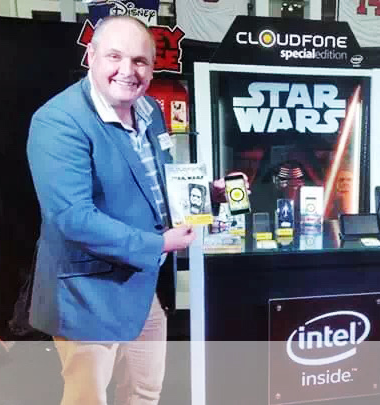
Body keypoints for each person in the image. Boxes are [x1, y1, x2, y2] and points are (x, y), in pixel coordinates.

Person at [26, 16, 239, 405]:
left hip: (143, 287)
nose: (128, 70)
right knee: (88, 400)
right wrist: (159, 244)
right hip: (88, 293)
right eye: (115, 56)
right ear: (91, 56)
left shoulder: (150, 110)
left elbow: (154, 186)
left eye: (140, 60)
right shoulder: (59, 121)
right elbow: (72, 218)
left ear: (153, 66)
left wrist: (204, 195)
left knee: (145, 392)